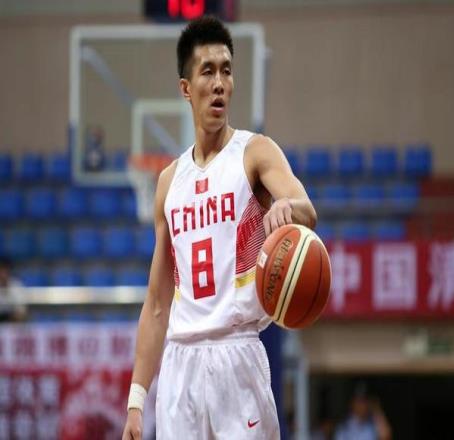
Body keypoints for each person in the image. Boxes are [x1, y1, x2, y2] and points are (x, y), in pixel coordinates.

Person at [122, 16, 316, 440]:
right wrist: (137, 400)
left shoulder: (255, 152)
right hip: (180, 365)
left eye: (226, 71)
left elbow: (307, 210)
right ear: (186, 88)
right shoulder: (169, 182)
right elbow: (157, 303)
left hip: (237, 352)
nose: (219, 83)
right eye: (207, 71)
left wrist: (287, 207)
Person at [0, 256, 27, 322]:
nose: (3, 273)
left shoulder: (17, 285)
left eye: (5, 270)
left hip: (13, 322)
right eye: (1, 270)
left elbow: (21, 310)